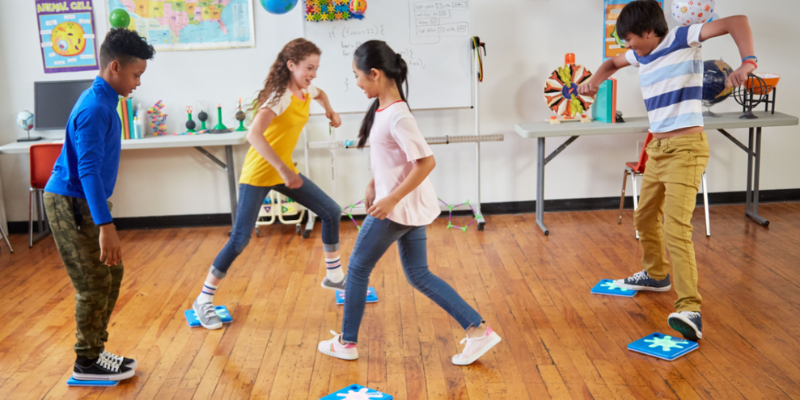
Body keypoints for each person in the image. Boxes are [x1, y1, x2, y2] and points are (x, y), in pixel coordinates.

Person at [579, 0, 756, 341]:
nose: (627, 46)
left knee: (675, 227)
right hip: (657, 148)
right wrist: (596, 81)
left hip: (686, 149)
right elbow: (612, 62)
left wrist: (748, 63)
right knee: (644, 216)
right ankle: (657, 275)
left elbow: (737, 21)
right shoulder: (640, 55)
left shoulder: (682, 38)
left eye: (629, 38)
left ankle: (690, 308)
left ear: (648, 31)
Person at [317, 40, 501, 365]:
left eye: (357, 75)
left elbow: (426, 162)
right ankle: (478, 330)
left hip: (398, 209)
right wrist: (375, 182)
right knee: (418, 274)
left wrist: (390, 198)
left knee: (358, 268)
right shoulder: (385, 109)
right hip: (406, 207)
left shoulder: (398, 116)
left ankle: (347, 343)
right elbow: (395, 158)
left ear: (374, 74)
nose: (356, 82)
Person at [192, 38, 346, 330]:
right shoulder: (279, 97)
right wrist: (282, 169)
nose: (313, 73)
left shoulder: (305, 90)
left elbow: (321, 93)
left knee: (331, 211)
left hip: (283, 172)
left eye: (316, 68)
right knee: (239, 240)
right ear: (291, 65)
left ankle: (335, 276)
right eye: (308, 67)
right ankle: (203, 299)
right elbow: (253, 135)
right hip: (260, 174)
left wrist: (331, 111)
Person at [43, 28, 155, 381]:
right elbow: (88, 171)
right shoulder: (95, 108)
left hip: (82, 202)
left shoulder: (105, 100)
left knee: (111, 273)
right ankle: (86, 362)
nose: (138, 82)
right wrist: (106, 226)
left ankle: (95, 350)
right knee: (92, 284)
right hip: (69, 203)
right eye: (136, 75)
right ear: (115, 67)